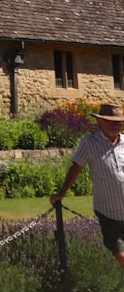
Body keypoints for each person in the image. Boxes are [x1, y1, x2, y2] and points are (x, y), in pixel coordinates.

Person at [51, 103, 124, 268]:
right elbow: (76, 167)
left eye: (118, 122)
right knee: (120, 255)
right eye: (111, 121)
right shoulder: (90, 143)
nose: (116, 125)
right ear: (100, 122)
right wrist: (62, 193)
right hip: (109, 212)